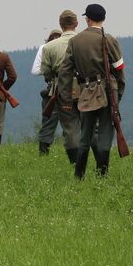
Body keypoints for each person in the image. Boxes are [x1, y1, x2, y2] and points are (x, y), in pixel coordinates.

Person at [58, 4, 125, 179]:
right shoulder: (109, 39)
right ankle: (102, 175)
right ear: (103, 19)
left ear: (87, 19)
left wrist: (66, 98)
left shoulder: (75, 42)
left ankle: (79, 175)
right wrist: (118, 94)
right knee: (104, 133)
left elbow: (65, 71)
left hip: (85, 92)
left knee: (84, 135)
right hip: (107, 91)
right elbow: (119, 69)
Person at [40, 12, 83, 161]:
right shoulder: (84, 41)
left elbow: (45, 72)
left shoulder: (49, 47)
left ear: (60, 24)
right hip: (85, 87)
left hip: (61, 88)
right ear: (76, 23)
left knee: (70, 129)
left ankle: (75, 163)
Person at [32, 28, 63, 156]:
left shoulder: (45, 48)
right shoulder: (68, 45)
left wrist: (49, 71)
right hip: (69, 88)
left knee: (48, 123)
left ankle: (43, 154)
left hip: (52, 88)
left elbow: (37, 70)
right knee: (72, 123)